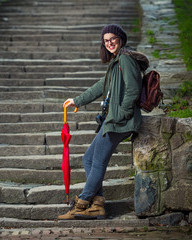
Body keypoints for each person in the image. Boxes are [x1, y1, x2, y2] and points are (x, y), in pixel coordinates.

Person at [58, 24, 149, 220]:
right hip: (113, 120)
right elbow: (101, 86)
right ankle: (97, 204)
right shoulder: (117, 61)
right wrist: (77, 100)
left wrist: (121, 114)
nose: (109, 43)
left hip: (119, 121)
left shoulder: (126, 58)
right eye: (105, 41)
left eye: (112, 39)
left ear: (121, 38)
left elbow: (133, 90)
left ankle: (81, 203)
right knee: (88, 158)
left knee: (97, 161)